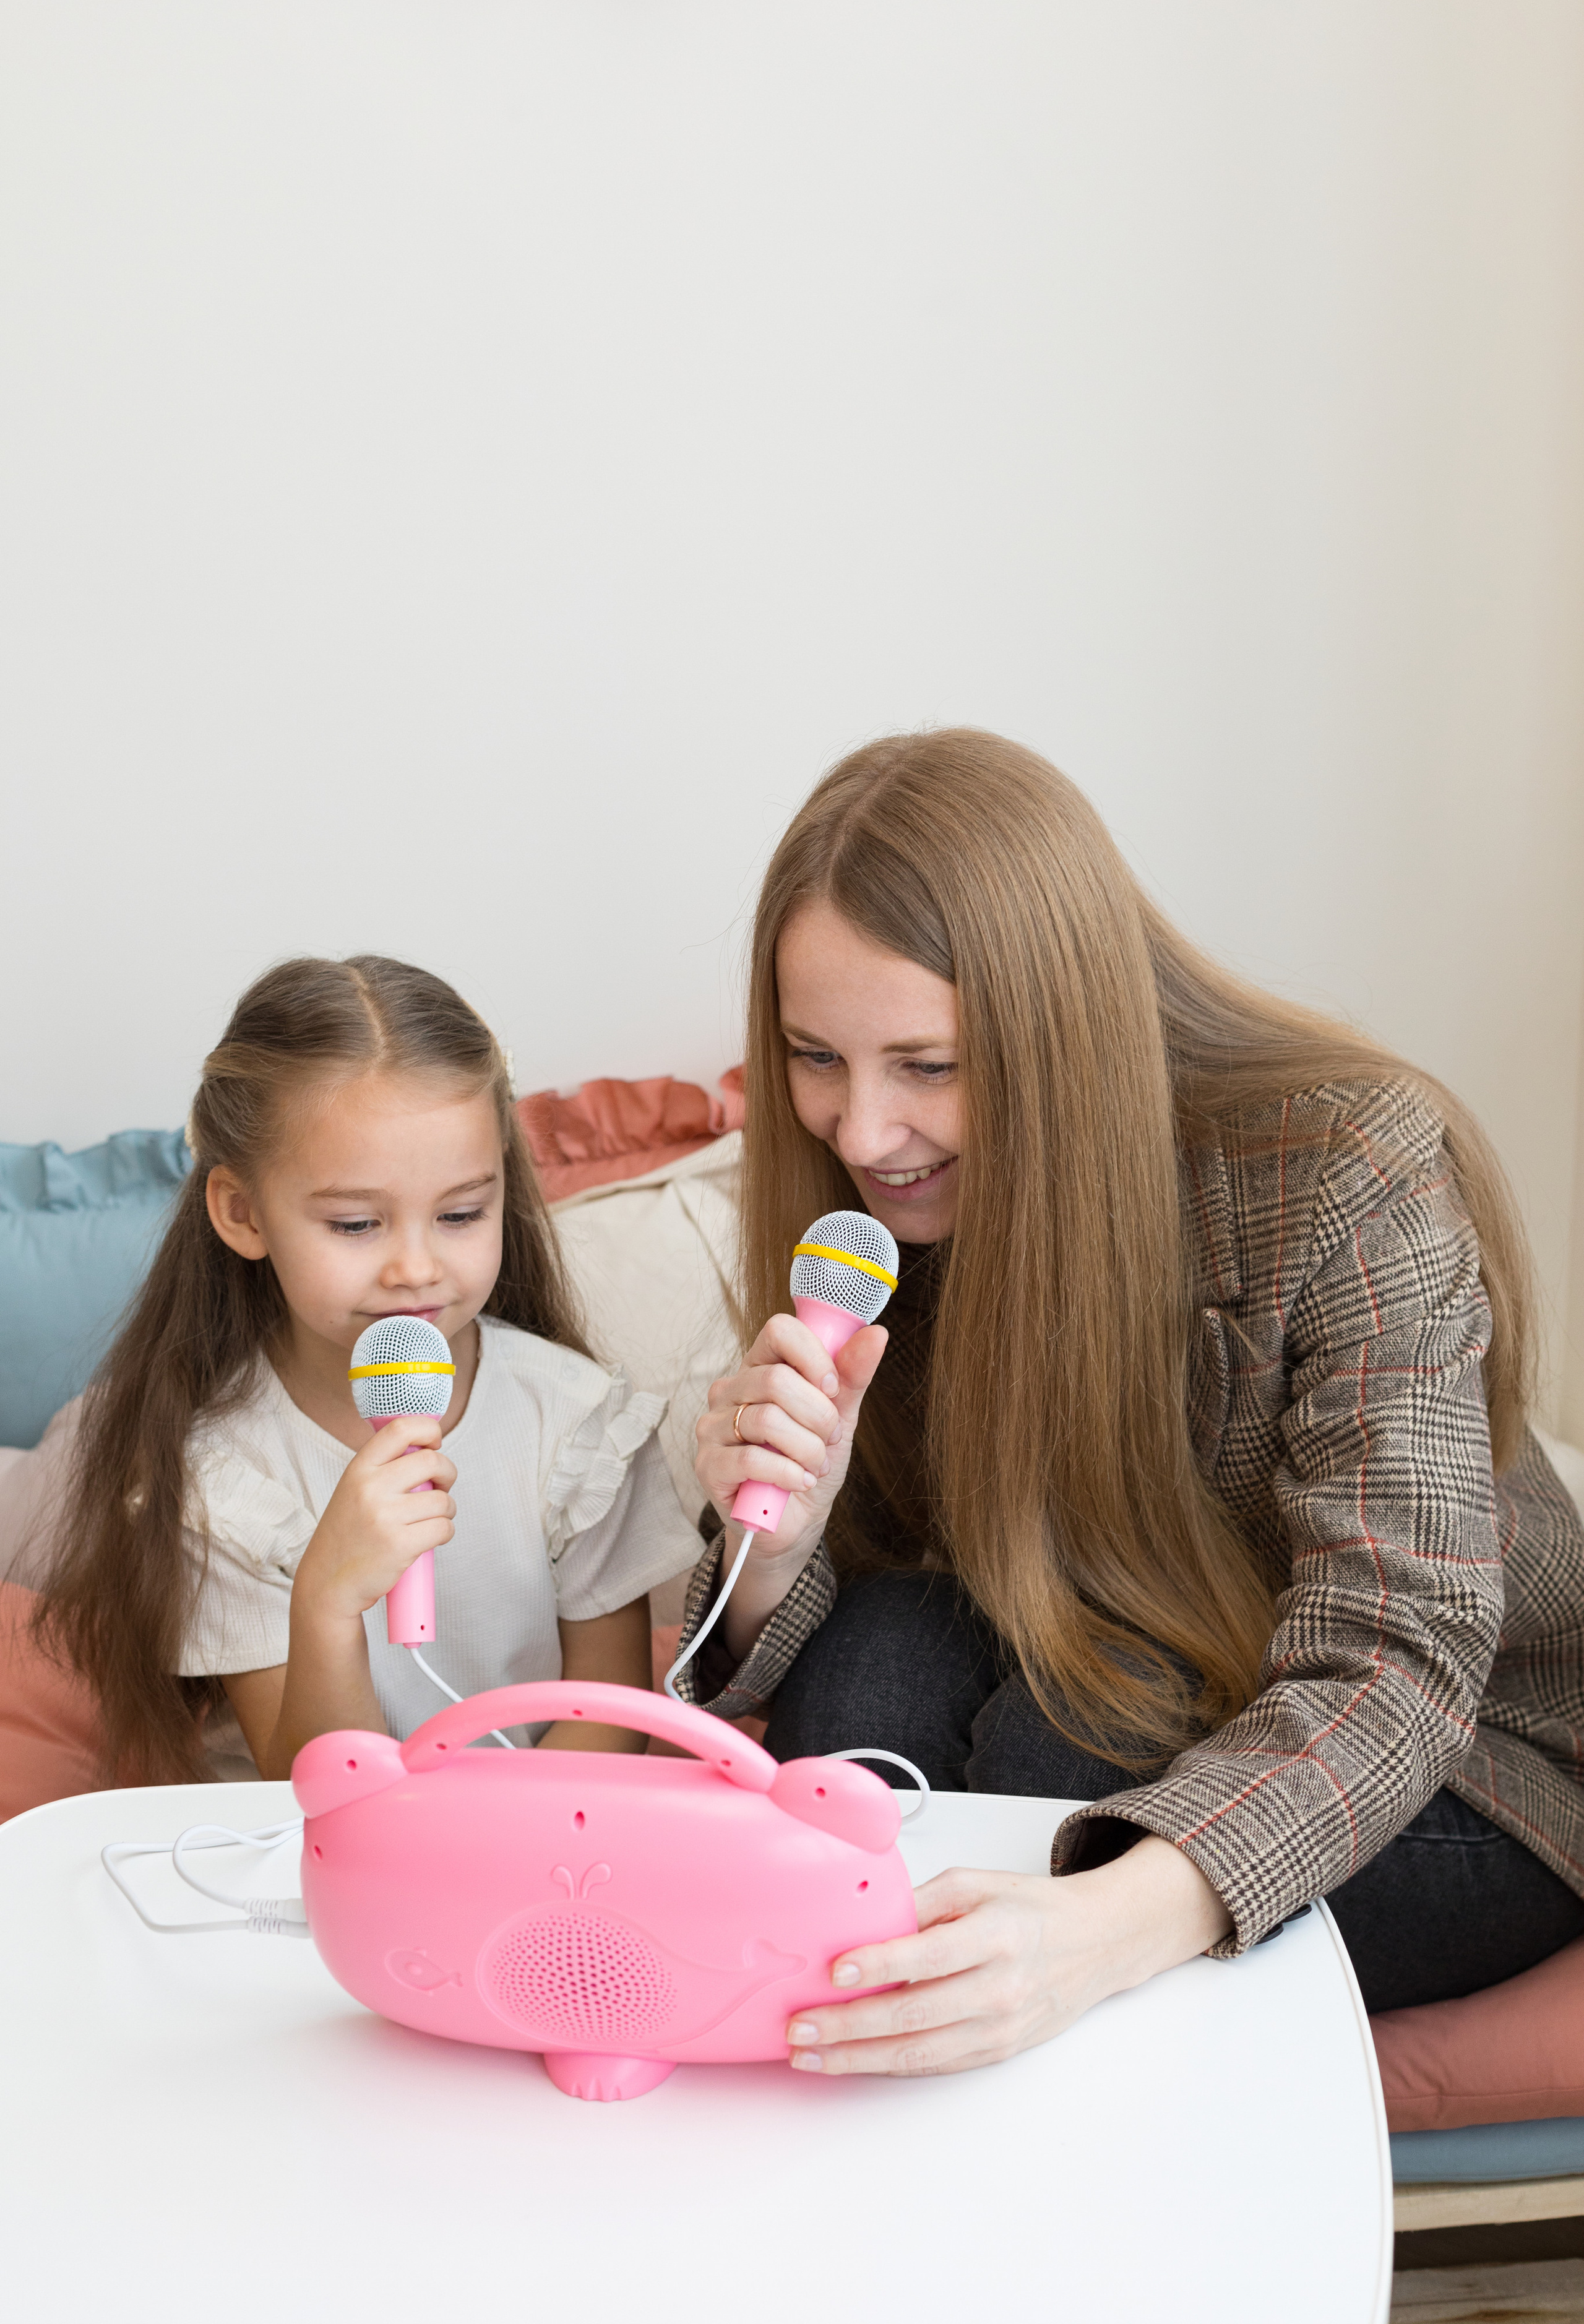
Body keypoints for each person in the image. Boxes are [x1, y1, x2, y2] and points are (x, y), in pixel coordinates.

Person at [679, 728, 1584, 2077]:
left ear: (1060, 1028)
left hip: (1461, 1768)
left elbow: (1398, 1658)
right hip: (1127, 1658)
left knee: (1063, 1750)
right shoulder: (870, 1214)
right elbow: (856, 1607)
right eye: (816, 1057)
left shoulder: (1350, 1166)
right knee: (866, 1657)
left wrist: (1096, 1929)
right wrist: (782, 1540)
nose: (861, 1134)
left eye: (926, 1066)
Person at [37, 955, 700, 1783]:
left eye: (461, 1214)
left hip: (530, 1824)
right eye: (356, 1225)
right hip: (316, 1837)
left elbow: (607, 1721)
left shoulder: (575, 1426)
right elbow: (307, 1779)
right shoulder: (223, 1476)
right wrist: (326, 1598)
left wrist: (478, 1843)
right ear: (243, 1214)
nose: (415, 1268)